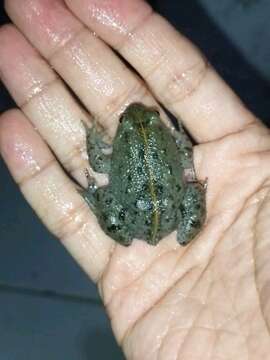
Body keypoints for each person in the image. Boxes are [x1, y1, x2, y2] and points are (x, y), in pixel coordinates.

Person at [1, 0, 270, 358]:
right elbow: (186, 155)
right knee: (185, 192)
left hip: (138, 220)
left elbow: (97, 160)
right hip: (172, 216)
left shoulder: (122, 144)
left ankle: (98, 199)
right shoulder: (167, 142)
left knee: (107, 192)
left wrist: (95, 144)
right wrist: (177, 142)